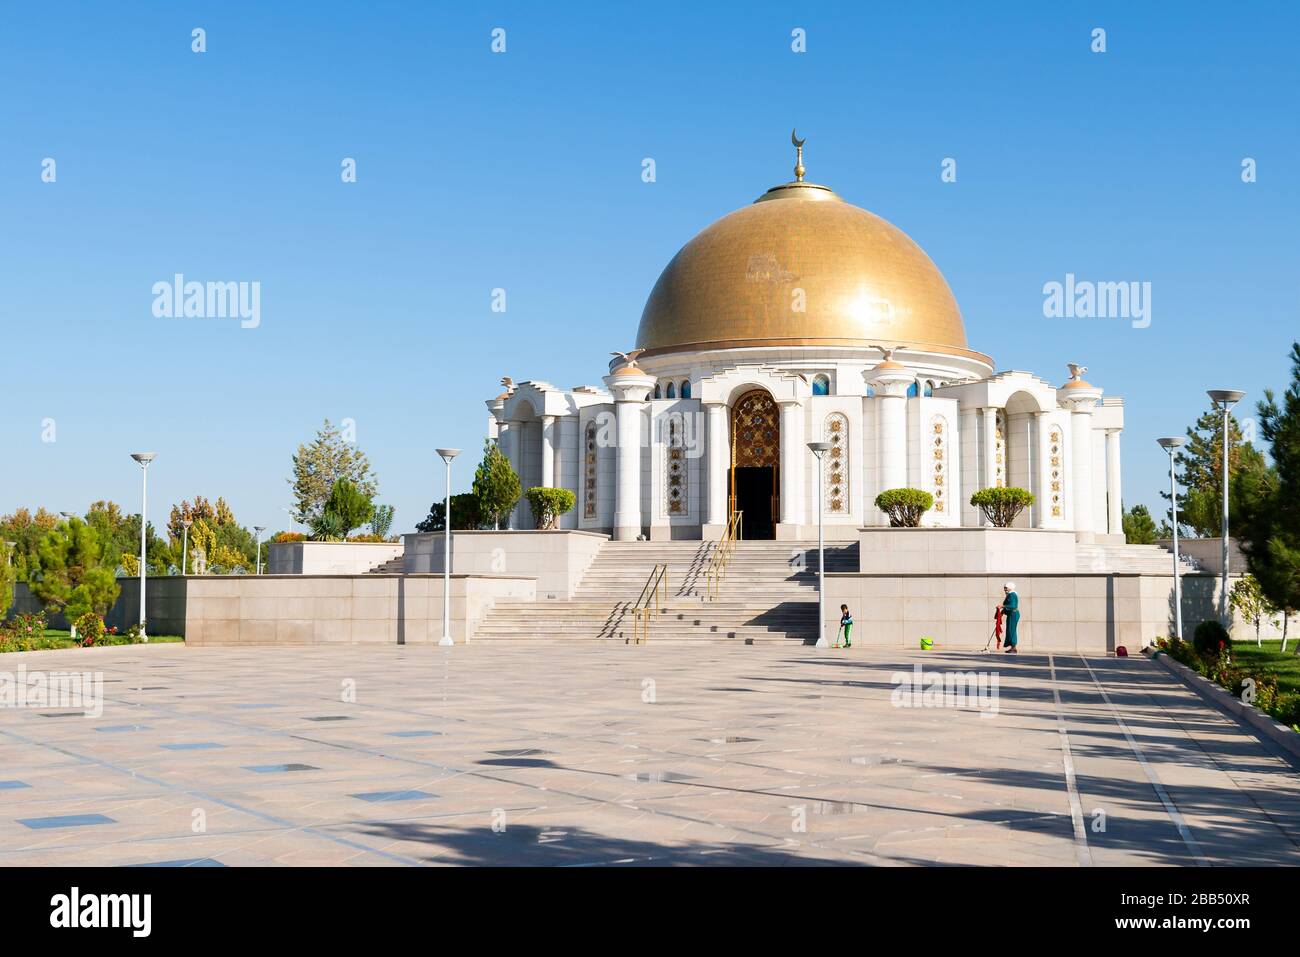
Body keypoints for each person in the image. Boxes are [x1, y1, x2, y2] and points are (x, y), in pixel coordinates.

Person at [1001, 583, 1020, 653]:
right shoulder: (1010, 594)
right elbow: (1009, 605)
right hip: (1011, 614)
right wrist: (1003, 611)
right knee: (1010, 629)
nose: (1004, 589)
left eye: (1006, 588)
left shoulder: (1012, 595)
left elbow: (1013, 606)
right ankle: (1012, 646)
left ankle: (1014, 647)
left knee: (1012, 630)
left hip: (1013, 614)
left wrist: (1002, 606)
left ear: (1010, 587)